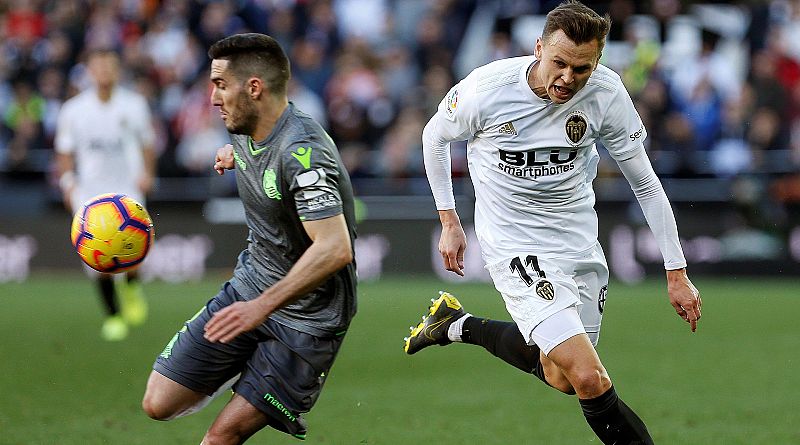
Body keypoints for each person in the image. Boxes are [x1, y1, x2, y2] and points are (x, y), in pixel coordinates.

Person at [403, 2, 702, 444]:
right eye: (558, 63)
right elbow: (434, 137)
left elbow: (646, 183)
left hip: (578, 243)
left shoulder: (605, 93)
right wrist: (449, 220)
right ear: (539, 48)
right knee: (588, 377)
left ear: (597, 61)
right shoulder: (489, 88)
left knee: (559, 376)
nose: (567, 78)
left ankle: (455, 324)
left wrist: (676, 271)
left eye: (581, 68)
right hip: (514, 244)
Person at [141, 33, 358, 444]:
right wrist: (234, 155)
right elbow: (259, 153)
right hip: (248, 289)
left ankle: (260, 380)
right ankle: (245, 372)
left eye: (220, 85)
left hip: (308, 321)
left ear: (253, 87)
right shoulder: (246, 127)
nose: (212, 98)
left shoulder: (303, 153)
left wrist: (261, 308)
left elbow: (334, 247)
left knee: (219, 439)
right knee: (158, 402)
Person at [55, 49, 155, 341]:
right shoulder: (73, 109)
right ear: (88, 71)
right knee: (96, 257)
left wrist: (148, 172)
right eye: (98, 67)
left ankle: (133, 285)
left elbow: (147, 143)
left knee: (134, 252)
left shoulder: (134, 105)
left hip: (127, 189)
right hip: (89, 192)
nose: (103, 72)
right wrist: (67, 182)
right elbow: (64, 150)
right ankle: (113, 316)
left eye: (109, 66)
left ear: (117, 70)